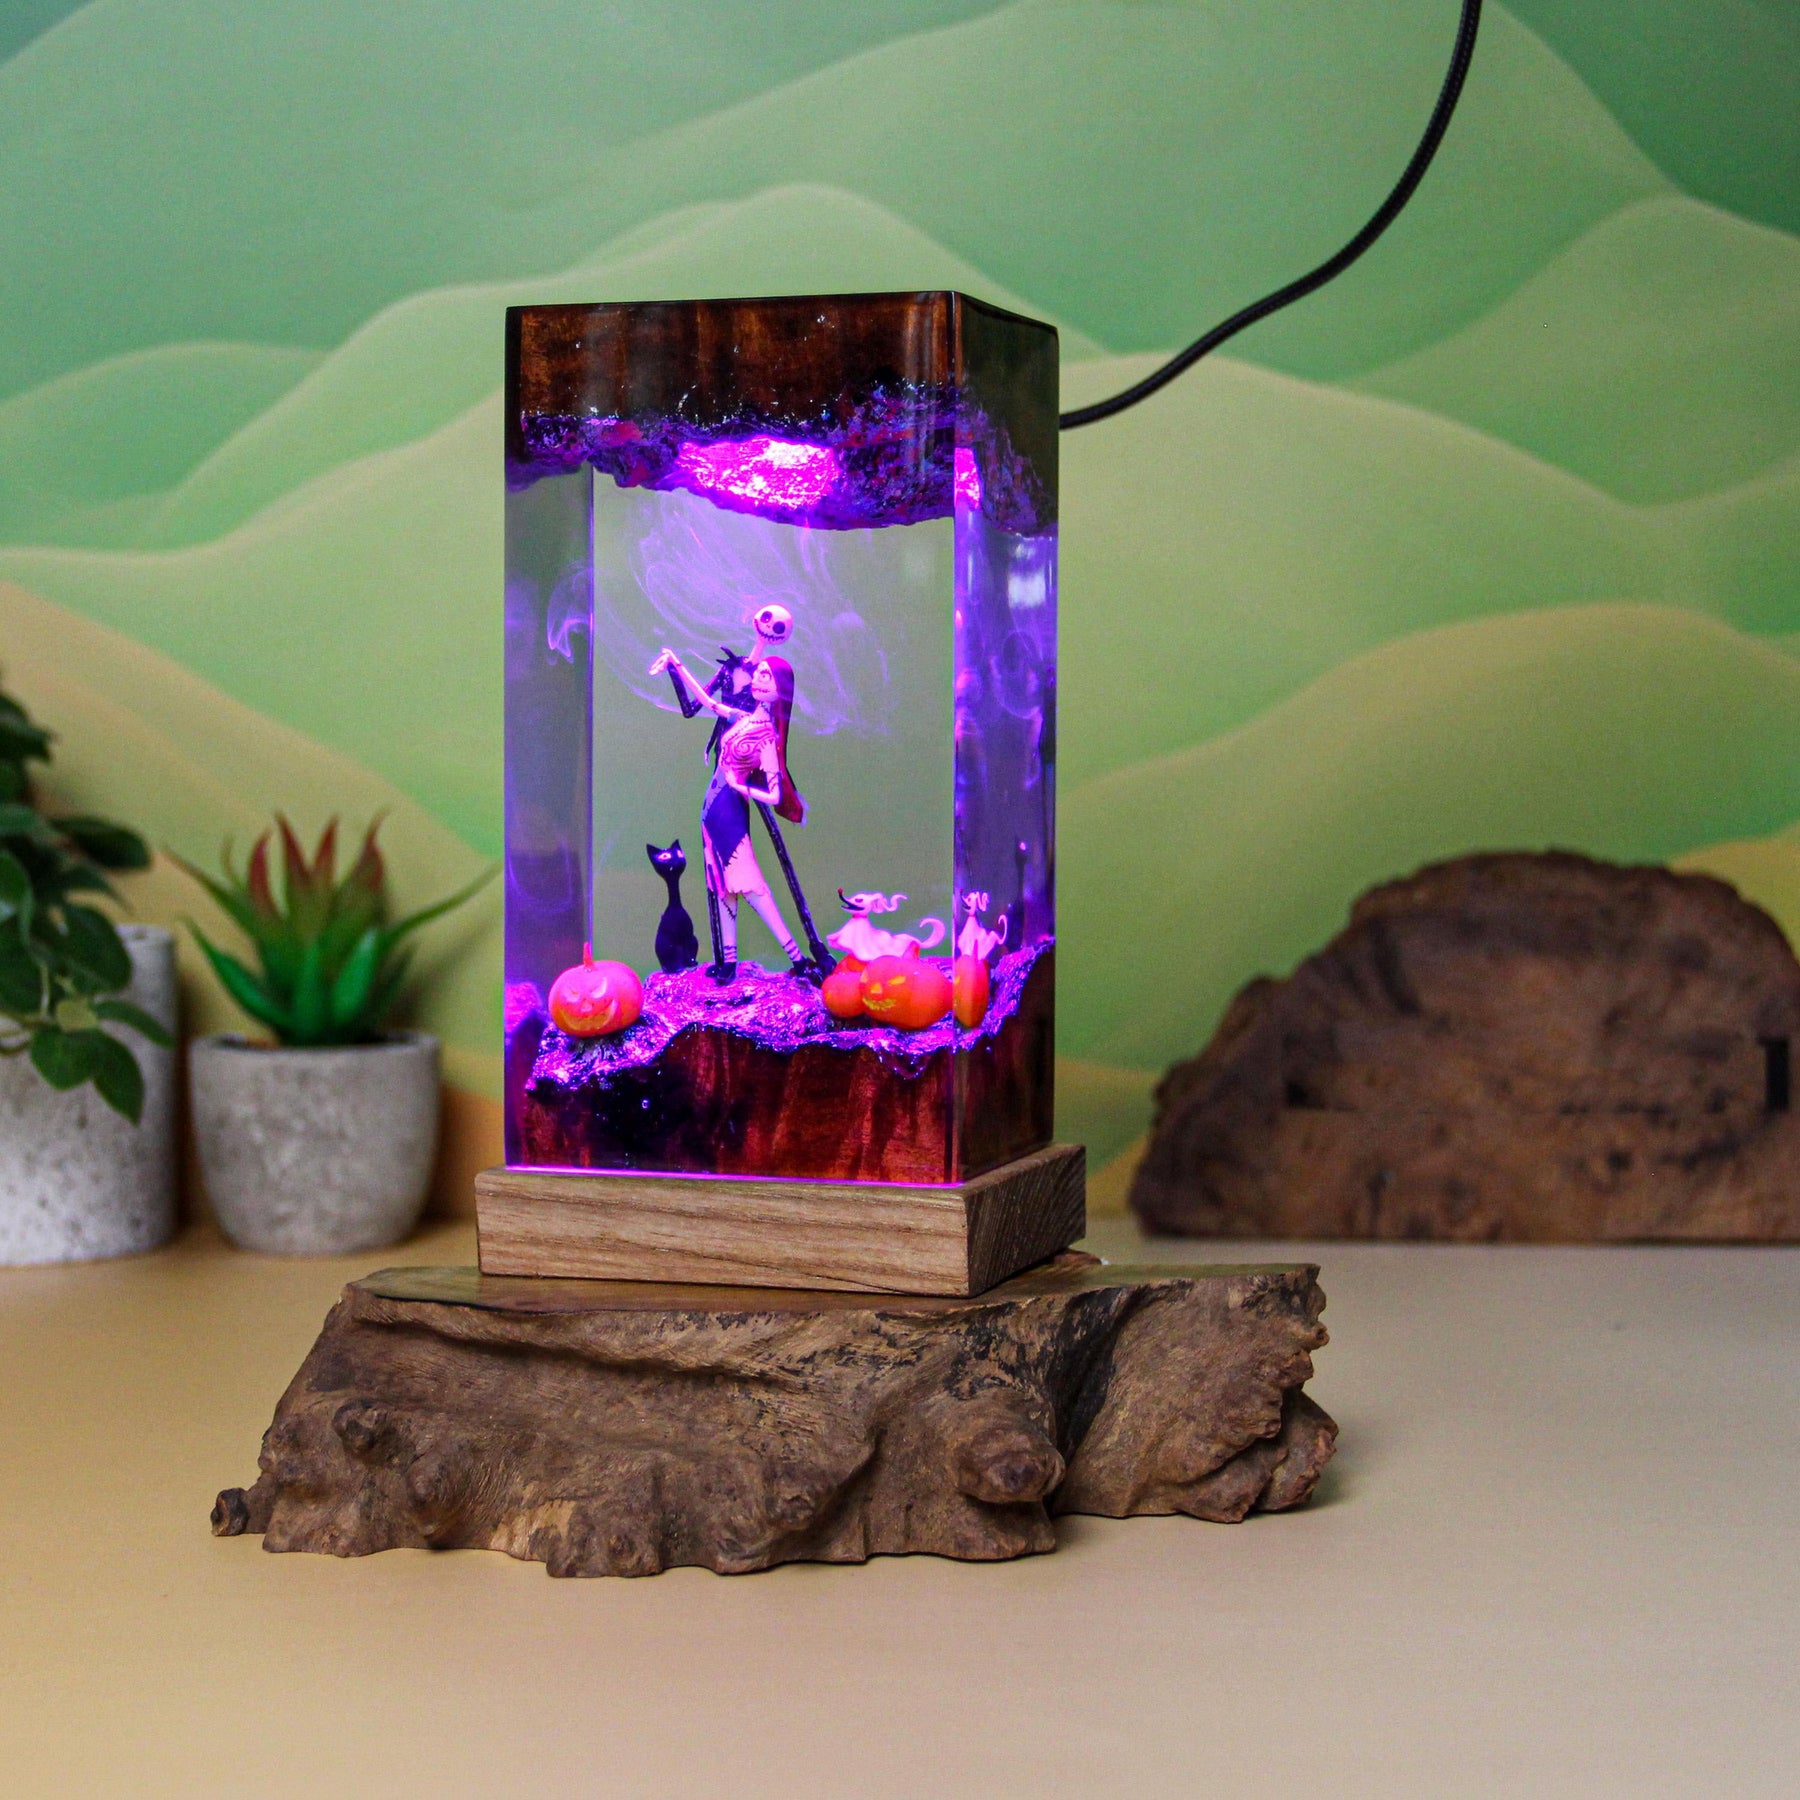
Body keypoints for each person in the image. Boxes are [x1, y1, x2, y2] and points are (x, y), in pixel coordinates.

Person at [650, 648, 811, 983]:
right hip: (712, 812)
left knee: (750, 887)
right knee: (723, 888)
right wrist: (677, 665)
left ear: (780, 690)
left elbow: (775, 794)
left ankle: (797, 958)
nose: (759, 679)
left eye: (767, 676)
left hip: (731, 814)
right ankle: (729, 961)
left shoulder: (766, 737)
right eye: (759, 672)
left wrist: (741, 787)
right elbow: (707, 703)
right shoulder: (742, 717)